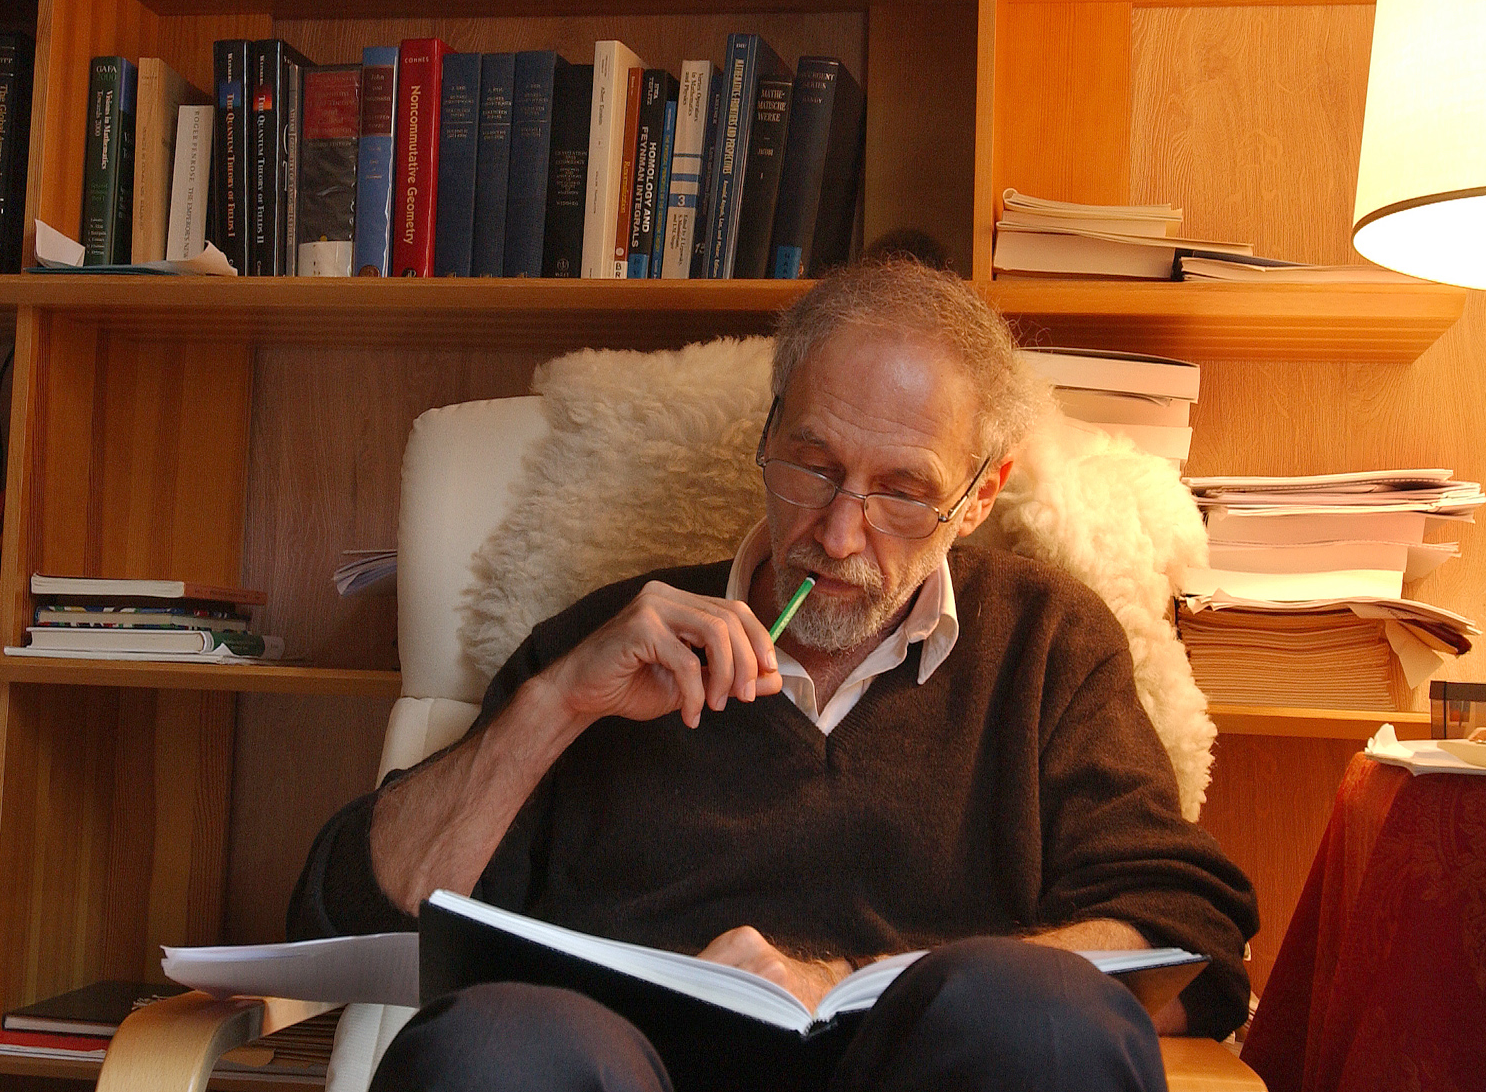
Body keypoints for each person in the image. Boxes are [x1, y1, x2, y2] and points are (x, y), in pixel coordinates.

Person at [290, 258, 1258, 1091]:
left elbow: (1187, 936)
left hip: (935, 1067)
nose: (838, 534)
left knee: (1040, 1011)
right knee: (495, 1044)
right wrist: (555, 701)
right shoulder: (606, 641)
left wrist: (848, 976)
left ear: (978, 498)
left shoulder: (1045, 642)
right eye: (813, 466)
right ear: (765, 437)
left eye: (902, 491)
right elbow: (352, 915)